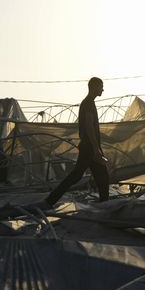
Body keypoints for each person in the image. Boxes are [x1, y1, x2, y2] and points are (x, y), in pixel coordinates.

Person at [45, 77, 109, 206]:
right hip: (89, 148)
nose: (102, 89)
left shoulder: (88, 102)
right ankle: (105, 205)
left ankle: (104, 203)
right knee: (91, 176)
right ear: (94, 87)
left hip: (88, 147)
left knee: (97, 176)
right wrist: (96, 148)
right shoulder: (88, 103)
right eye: (100, 86)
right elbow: (89, 126)